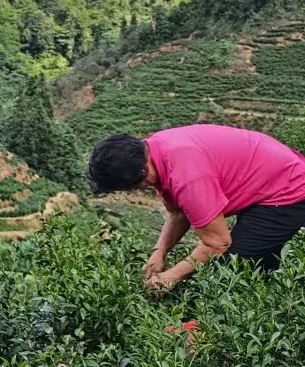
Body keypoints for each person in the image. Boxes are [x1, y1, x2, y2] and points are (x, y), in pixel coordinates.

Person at [87, 124, 305, 290]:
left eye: (134, 186)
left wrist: (170, 277)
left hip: (287, 190)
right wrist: (159, 252)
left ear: (140, 173)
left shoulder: (187, 175)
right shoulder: (156, 149)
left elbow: (217, 243)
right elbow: (177, 212)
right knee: (255, 263)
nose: (138, 189)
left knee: (229, 273)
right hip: (266, 185)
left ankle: (202, 337)